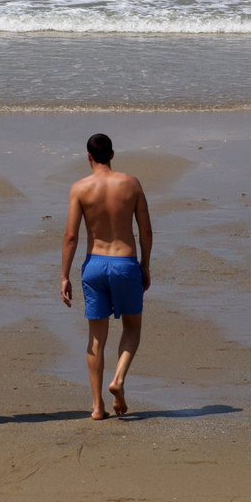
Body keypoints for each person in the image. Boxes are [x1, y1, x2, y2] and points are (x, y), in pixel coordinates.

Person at [61, 133, 152, 419]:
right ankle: (119, 379)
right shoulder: (131, 183)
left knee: (96, 338)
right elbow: (146, 231)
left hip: (94, 265)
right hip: (125, 262)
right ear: (112, 154)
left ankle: (97, 407)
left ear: (88, 156)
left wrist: (64, 275)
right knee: (132, 327)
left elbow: (71, 235)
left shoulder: (79, 188)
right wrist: (145, 266)